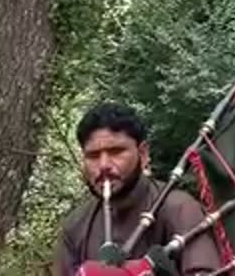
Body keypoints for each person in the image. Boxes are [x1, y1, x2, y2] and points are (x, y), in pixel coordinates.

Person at [55, 103, 221, 276]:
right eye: (93, 156)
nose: (103, 165)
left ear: (143, 154)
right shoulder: (76, 226)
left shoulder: (178, 208)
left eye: (116, 152)